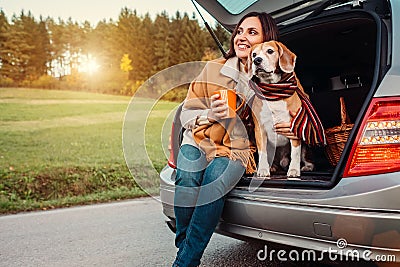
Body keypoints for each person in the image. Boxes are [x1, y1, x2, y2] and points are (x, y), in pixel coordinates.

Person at [172, 12, 281, 267]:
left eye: (252, 33)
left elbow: (291, 105)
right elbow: (187, 110)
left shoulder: (269, 79)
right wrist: (210, 114)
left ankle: (185, 262)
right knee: (187, 178)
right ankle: (185, 250)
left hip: (237, 148)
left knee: (213, 184)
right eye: (240, 31)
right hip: (198, 139)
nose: (242, 37)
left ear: (267, 42)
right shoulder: (213, 69)